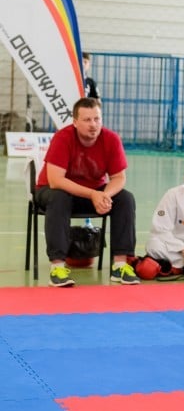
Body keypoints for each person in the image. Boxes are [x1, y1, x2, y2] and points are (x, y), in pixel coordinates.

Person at [35, 97, 138, 287]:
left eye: (97, 119)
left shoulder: (111, 139)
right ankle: (57, 267)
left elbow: (119, 178)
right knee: (59, 197)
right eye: (87, 120)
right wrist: (93, 194)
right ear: (75, 122)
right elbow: (56, 180)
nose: (93, 125)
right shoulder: (63, 137)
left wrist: (105, 195)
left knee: (125, 198)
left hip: (93, 192)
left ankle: (120, 265)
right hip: (51, 191)